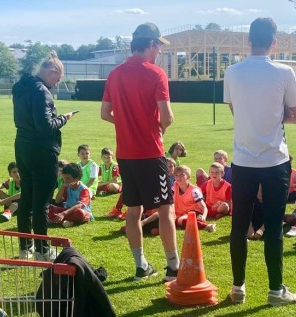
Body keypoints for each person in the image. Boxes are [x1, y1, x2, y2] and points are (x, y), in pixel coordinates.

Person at [224, 17, 296, 307]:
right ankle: (275, 290)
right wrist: (273, 115)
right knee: (272, 225)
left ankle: (238, 288)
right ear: (274, 42)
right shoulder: (284, 72)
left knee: (239, 226)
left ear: (248, 40)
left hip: (243, 161)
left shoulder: (232, 71)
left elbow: (236, 111)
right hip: (274, 161)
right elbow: (293, 116)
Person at [101, 22, 179, 281]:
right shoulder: (156, 73)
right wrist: (159, 128)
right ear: (151, 44)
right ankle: (173, 267)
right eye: (159, 47)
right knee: (166, 210)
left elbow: (105, 113)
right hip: (151, 153)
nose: (160, 52)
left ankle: (141, 266)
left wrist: (126, 123)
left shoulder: (114, 74)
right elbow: (167, 116)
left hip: (125, 155)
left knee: (133, 211)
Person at [12, 51, 76, 260]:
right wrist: (64, 118)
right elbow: (45, 126)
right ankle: (42, 250)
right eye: (57, 79)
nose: (57, 84)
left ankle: (25, 248)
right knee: (41, 202)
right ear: (50, 72)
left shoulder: (21, 88)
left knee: (27, 198)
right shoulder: (41, 91)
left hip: (23, 146)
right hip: (41, 151)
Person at [172, 164, 216, 232]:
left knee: (180, 220)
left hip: (193, 212)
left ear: (188, 177)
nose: (178, 177)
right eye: (176, 175)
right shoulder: (175, 185)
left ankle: (206, 226)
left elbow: (203, 207)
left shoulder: (194, 191)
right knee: (171, 219)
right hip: (180, 213)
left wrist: (203, 216)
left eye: (182, 175)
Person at [48, 163, 93, 227]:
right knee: (48, 207)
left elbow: (79, 206)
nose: (65, 180)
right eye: (64, 178)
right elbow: (58, 201)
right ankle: (66, 221)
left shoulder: (84, 190)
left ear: (77, 179)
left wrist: (63, 213)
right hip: (66, 210)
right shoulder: (66, 187)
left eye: (68, 178)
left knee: (80, 213)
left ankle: (56, 220)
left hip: (79, 211)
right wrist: (63, 187)